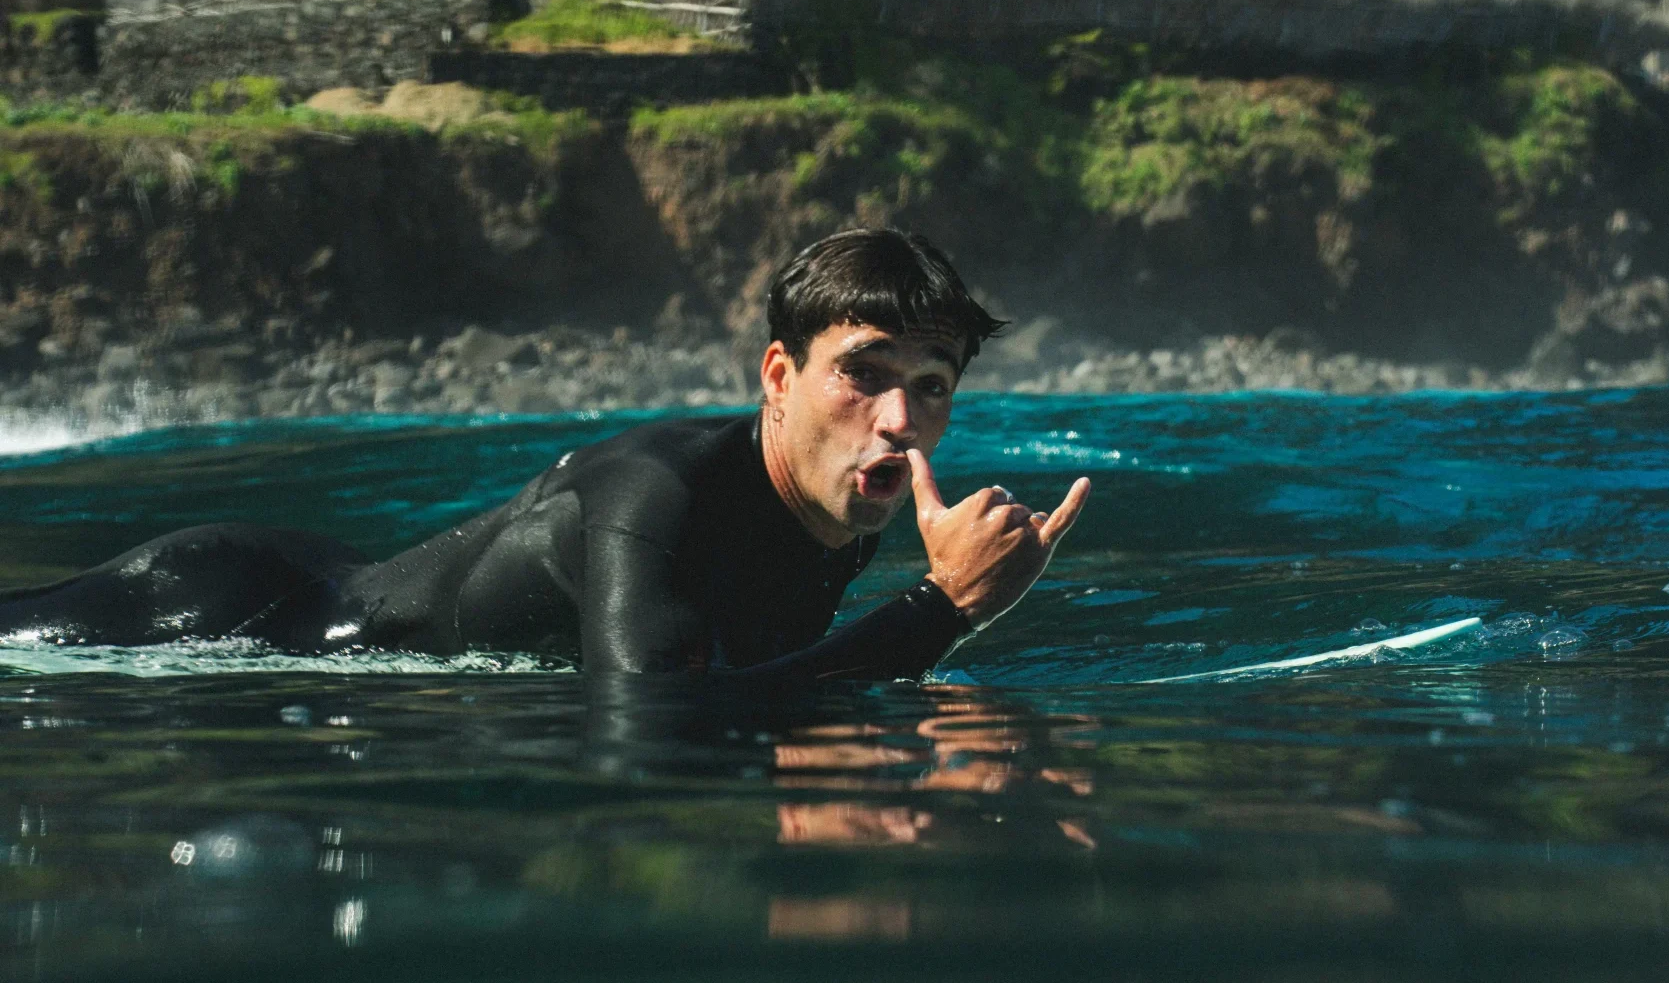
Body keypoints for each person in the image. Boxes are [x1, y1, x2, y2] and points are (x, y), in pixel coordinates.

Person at [0, 229, 1091, 682]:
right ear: (775, 377)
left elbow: (748, 685)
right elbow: (650, 742)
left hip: (352, 579)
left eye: (933, 386)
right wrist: (940, 612)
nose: (899, 417)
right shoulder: (651, 498)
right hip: (235, 609)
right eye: (864, 371)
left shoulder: (833, 505)